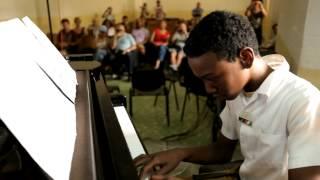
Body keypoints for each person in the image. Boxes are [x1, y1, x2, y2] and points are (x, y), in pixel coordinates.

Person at [134, 11, 320, 180]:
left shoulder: (303, 103)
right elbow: (222, 151)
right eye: (202, 80)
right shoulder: (238, 91)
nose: (208, 89)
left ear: (245, 58)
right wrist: (180, 153)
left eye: (212, 78)